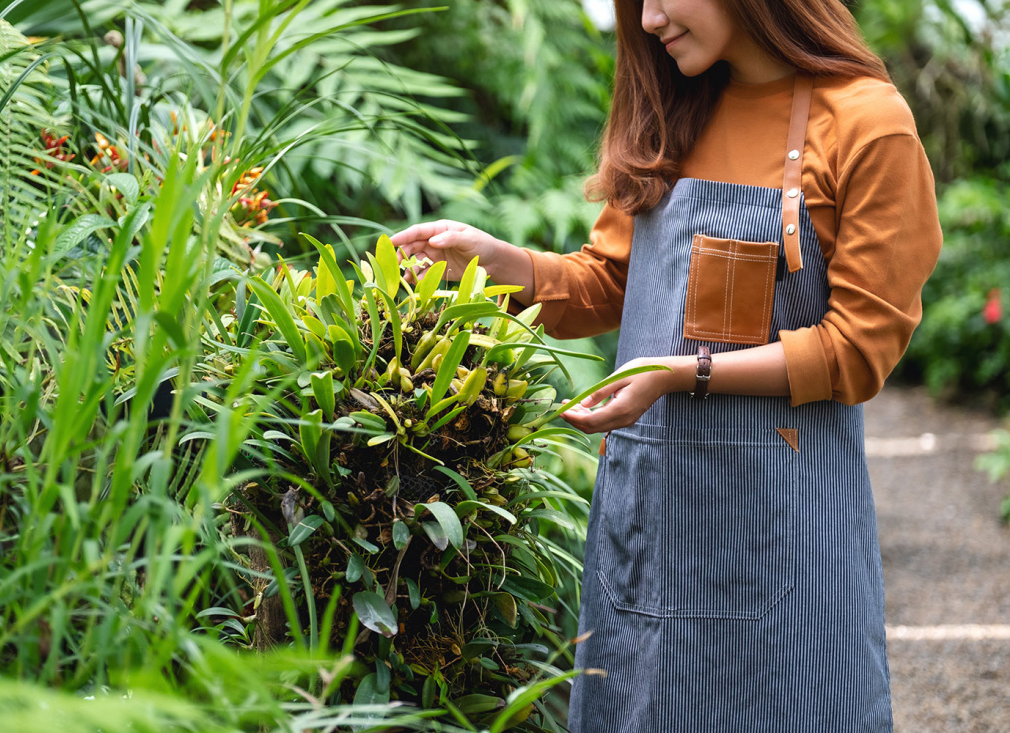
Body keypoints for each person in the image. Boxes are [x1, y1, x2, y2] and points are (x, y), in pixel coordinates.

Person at [389, 0, 941, 729]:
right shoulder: (671, 111)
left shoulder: (867, 122)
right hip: (650, 526)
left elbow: (858, 350)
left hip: (784, 535)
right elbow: (611, 280)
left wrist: (685, 374)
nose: (648, 19)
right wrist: (502, 264)